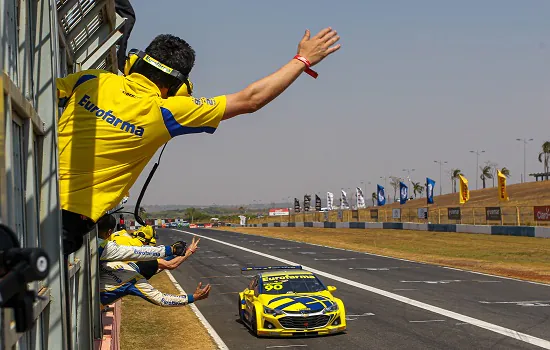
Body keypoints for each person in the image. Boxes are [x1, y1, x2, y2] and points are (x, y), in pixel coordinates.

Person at [56, 28, 341, 254]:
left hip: (31, 189)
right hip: (70, 219)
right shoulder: (167, 111)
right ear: (180, 87)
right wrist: (301, 61)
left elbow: (42, 98)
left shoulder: (90, 80)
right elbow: (250, 100)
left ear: (135, 62)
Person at [95, 214, 187, 261]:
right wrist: (172, 250)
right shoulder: (106, 247)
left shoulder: (119, 234)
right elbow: (140, 252)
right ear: (109, 232)